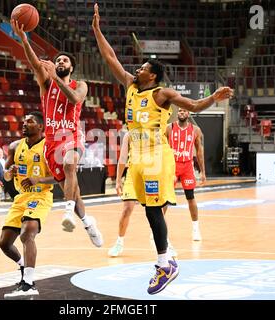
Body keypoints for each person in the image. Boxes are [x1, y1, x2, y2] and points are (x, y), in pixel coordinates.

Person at [92, 3, 233, 295]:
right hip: (137, 157)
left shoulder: (162, 94)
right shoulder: (131, 85)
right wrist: (96, 30)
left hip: (157, 155)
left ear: (153, 76)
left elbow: (193, 106)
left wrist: (215, 98)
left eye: (143, 67)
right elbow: (110, 57)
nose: (138, 68)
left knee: (155, 211)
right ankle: (165, 258)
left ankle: (165, 263)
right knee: (147, 211)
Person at [11, 19, 103, 247]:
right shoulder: (46, 84)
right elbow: (34, 63)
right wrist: (24, 39)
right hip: (52, 142)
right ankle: (88, 222)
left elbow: (75, 99)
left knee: (70, 164)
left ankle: (68, 213)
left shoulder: (80, 84)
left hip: (71, 135)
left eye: (64, 60)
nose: (60, 62)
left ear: (70, 68)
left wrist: (54, 76)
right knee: (74, 190)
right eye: (57, 60)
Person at [0, 111, 55, 298]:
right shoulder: (15, 146)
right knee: (5, 244)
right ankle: (24, 266)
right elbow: (5, 174)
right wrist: (10, 172)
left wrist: (38, 179)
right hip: (21, 197)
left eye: (29, 121)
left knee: (27, 231)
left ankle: (29, 283)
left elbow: (60, 176)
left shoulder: (49, 146)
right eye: (23, 121)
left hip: (41, 196)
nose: (24, 124)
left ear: (40, 127)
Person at [108, 131, 177, 258]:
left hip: (153, 171)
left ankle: (165, 243)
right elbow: (123, 157)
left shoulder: (157, 132)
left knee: (159, 210)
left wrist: (171, 173)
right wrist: (118, 180)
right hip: (134, 172)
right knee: (127, 208)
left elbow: (167, 153)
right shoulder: (129, 134)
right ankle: (119, 242)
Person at [163, 108, 206, 241]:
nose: (182, 112)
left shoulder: (196, 130)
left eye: (184, 111)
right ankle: (158, 229)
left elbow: (199, 152)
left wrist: (203, 171)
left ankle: (195, 229)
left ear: (188, 114)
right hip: (172, 165)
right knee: (165, 198)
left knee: (190, 197)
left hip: (187, 166)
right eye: (180, 111)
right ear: (178, 113)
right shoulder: (168, 128)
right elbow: (161, 148)